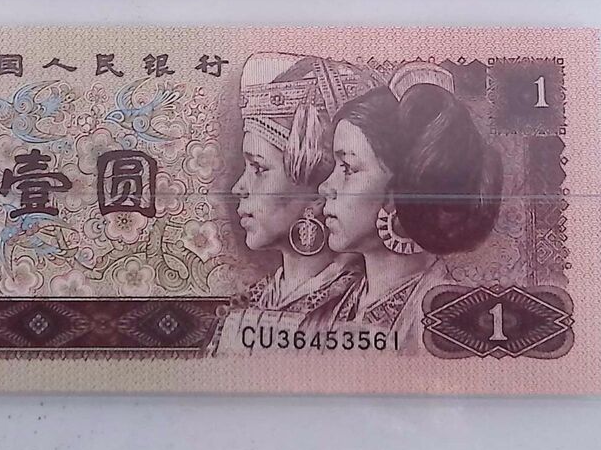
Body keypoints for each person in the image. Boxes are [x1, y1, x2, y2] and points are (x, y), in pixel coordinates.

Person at [319, 63, 502, 345]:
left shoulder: (448, 322)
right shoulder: (330, 307)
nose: (325, 187)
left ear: (403, 189)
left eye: (348, 168)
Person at [212, 53, 380, 351]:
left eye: (258, 168)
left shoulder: (363, 308)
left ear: (316, 190)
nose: (239, 188)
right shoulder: (250, 304)